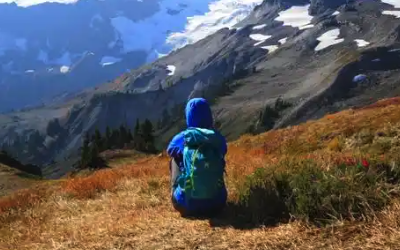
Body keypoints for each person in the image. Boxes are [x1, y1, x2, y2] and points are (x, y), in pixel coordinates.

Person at [167, 98, 228, 217]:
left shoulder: (184, 137)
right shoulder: (217, 138)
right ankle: (213, 194)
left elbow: (170, 150)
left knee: (174, 160)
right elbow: (223, 151)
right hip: (218, 204)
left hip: (187, 206)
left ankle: (180, 191)